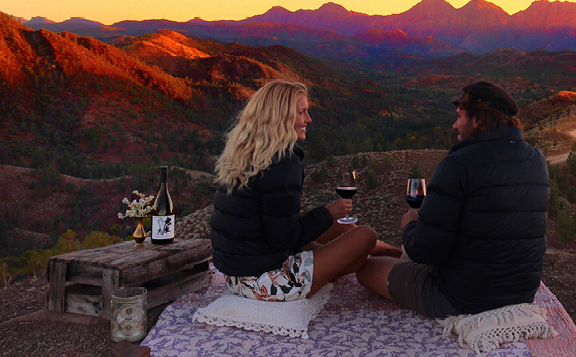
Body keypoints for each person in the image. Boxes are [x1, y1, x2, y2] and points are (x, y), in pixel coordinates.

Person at [357, 81, 549, 318]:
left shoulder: (458, 164)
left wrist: (410, 227)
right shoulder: (536, 159)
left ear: (478, 119)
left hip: (463, 299)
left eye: (460, 116)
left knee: (367, 270)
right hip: (521, 294)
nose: (455, 125)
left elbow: (427, 252)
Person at [210, 80, 379, 301]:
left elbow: (271, 227)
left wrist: (326, 222)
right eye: (301, 112)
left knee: (341, 227)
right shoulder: (283, 163)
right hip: (266, 283)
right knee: (365, 236)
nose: (308, 119)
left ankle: (387, 253)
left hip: (235, 277)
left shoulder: (248, 154)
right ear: (280, 117)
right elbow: (284, 239)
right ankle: (386, 259)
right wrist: (327, 213)